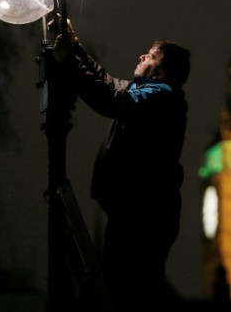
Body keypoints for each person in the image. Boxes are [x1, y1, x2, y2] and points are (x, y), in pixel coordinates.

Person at [54, 25, 190, 309]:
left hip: (142, 216)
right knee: (123, 289)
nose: (142, 56)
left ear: (161, 72)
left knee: (127, 291)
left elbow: (111, 98)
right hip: (137, 211)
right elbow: (108, 83)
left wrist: (67, 61)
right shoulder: (149, 94)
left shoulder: (160, 96)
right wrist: (76, 48)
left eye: (151, 56)